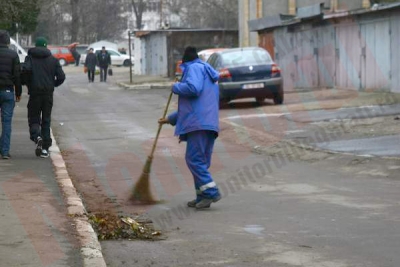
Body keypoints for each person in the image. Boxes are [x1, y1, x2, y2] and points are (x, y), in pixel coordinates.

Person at [159, 46, 221, 209]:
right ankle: (202, 196)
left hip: (198, 124)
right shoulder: (207, 72)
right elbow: (195, 105)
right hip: (208, 123)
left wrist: (176, 87)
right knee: (200, 162)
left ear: (184, 62)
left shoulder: (193, 68)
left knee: (194, 160)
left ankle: (211, 192)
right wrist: (169, 119)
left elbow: (193, 89)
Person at [24, 37, 65, 158]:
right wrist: (53, 84)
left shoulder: (30, 58)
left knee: (34, 117)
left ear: (36, 46)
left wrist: (28, 85)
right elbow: (61, 76)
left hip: (34, 93)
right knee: (46, 119)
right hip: (48, 94)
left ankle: (37, 136)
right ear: (46, 47)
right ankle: (45, 149)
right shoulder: (53, 60)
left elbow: (25, 71)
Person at [0, 30, 22, 159]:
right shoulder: (13, 55)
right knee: (6, 122)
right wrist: (18, 92)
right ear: (8, 41)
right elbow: (17, 76)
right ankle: (5, 151)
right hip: (8, 91)